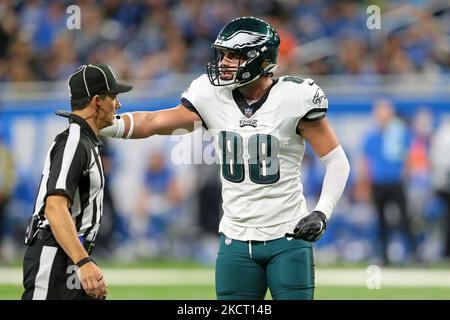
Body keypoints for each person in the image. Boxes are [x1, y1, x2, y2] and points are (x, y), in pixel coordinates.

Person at [101, 17, 350, 300]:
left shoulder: (294, 98)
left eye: (233, 55)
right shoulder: (211, 96)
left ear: (259, 59)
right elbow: (154, 121)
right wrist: (103, 123)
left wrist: (322, 212)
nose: (224, 63)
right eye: (223, 54)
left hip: (288, 238)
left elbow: (337, 161)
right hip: (236, 242)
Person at [22, 64, 132, 300]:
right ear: (96, 101)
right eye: (113, 97)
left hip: (70, 253)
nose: (118, 104)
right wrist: (83, 261)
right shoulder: (74, 141)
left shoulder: (85, 141)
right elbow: (55, 206)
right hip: (56, 254)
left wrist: (82, 259)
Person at [361, 99, 416, 265]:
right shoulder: (371, 136)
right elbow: (366, 161)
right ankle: (385, 256)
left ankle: (413, 253)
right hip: (378, 182)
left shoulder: (400, 133)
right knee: (380, 220)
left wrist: (405, 175)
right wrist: (365, 184)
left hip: (395, 181)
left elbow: (409, 156)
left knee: (405, 217)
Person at [0, 136, 15, 262]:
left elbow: (10, 174)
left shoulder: (5, 153)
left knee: (2, 223)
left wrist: (5, 191)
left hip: (3, 196)